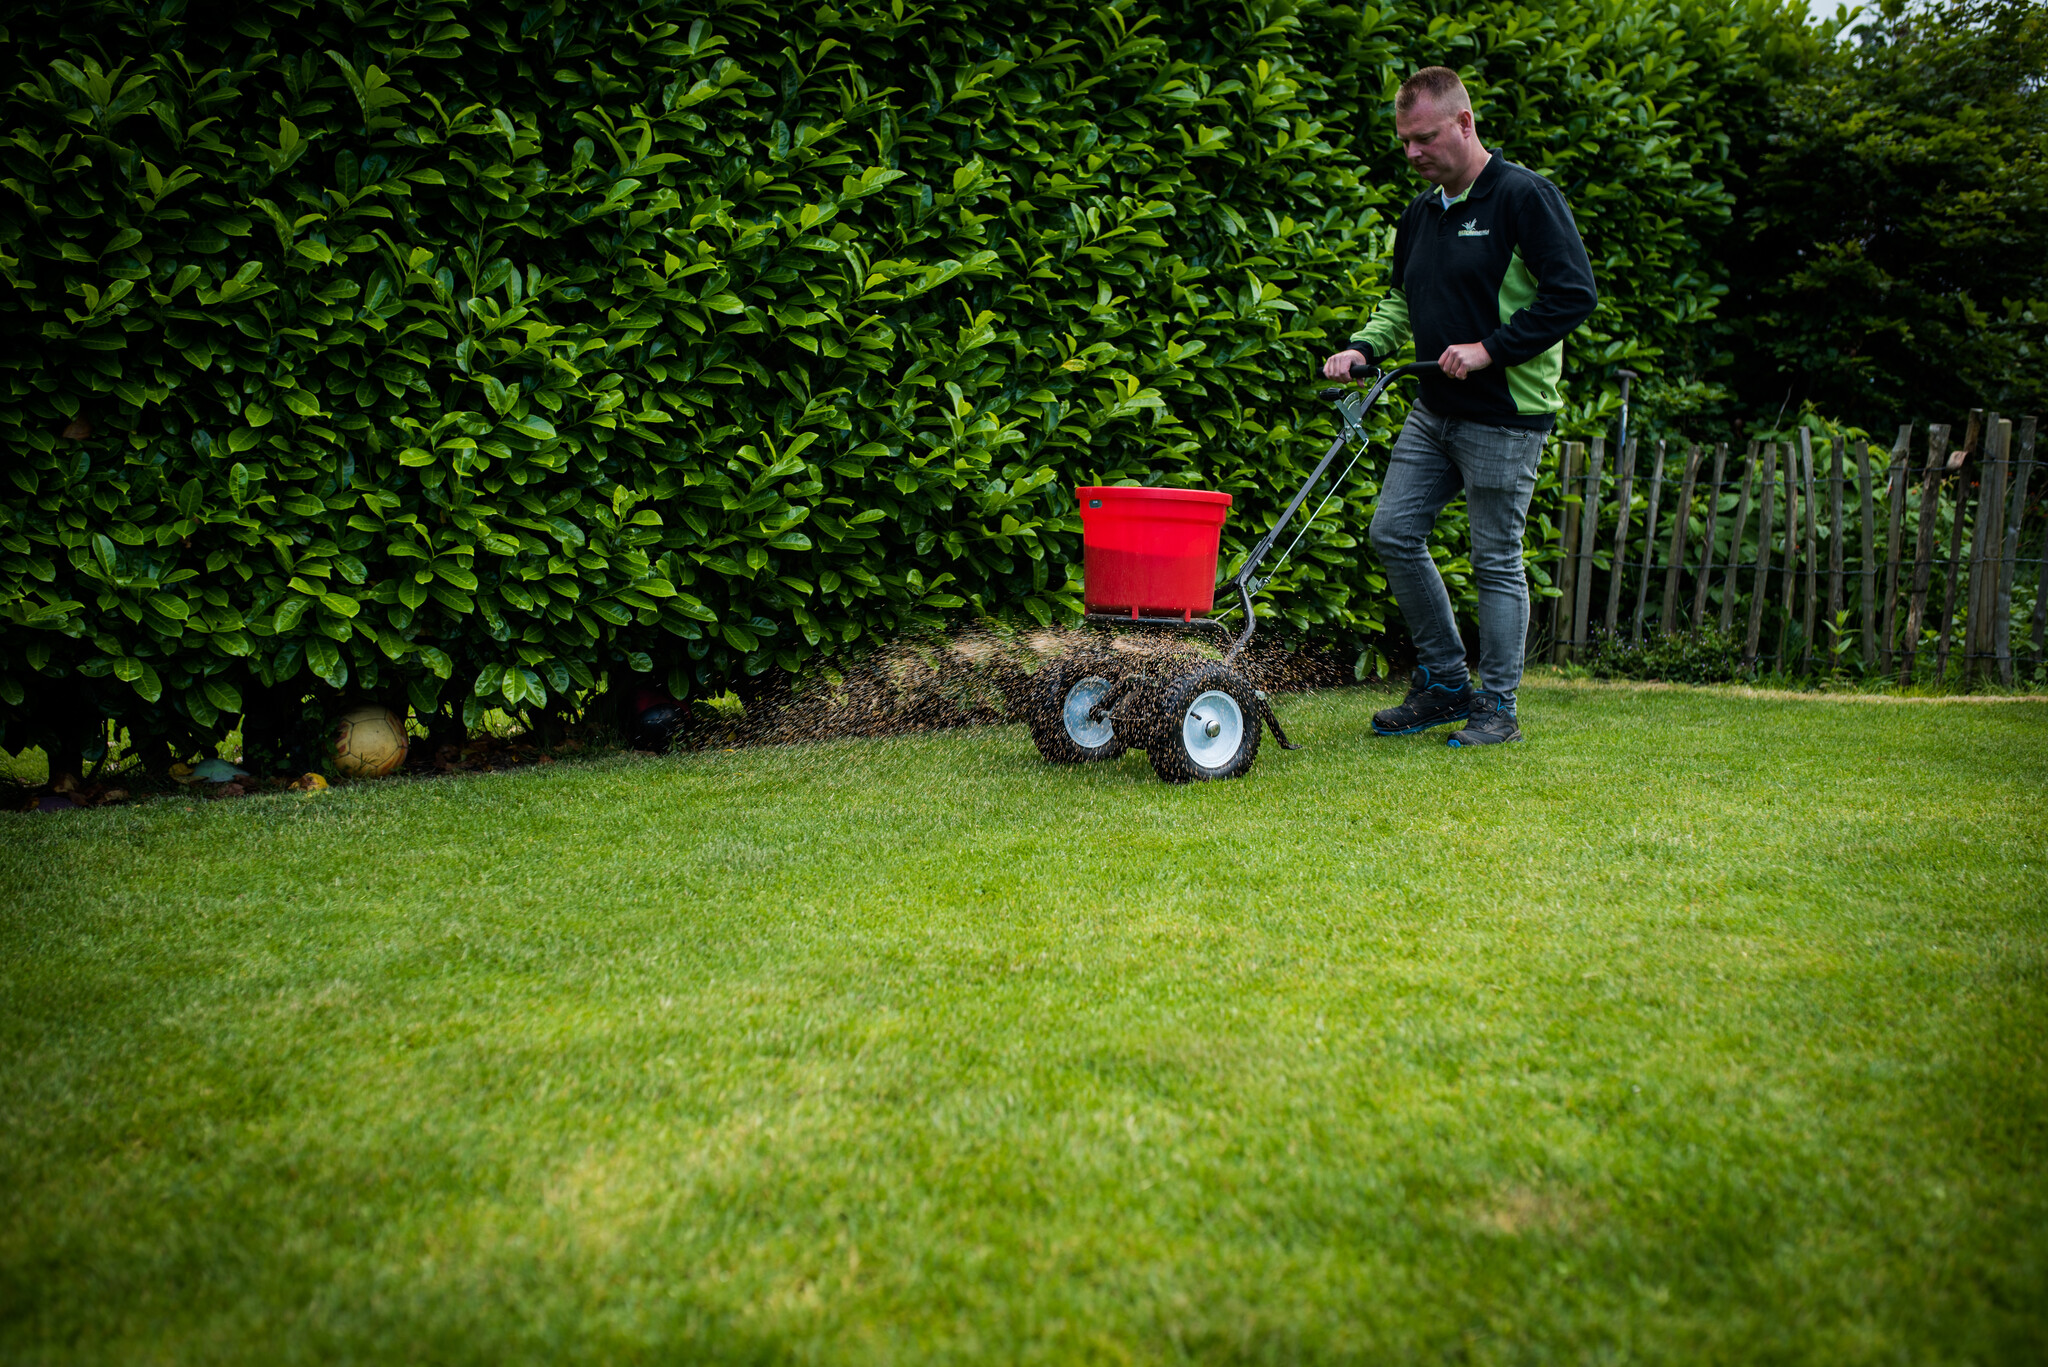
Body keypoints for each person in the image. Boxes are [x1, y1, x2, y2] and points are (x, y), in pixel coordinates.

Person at [1323, 67, 1597, 746]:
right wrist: (1362, 347)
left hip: (1504, 411)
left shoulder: (1523, 197)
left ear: (1464, 123)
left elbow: (1572, 294)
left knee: (1495, 558)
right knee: (1392, 531)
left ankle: (1496, 707)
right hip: (1434, 409)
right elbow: (1400, 303)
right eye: (1405, 142)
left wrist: (1490, 349)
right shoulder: (1420, 213)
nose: (1413, 153)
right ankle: (1446, 682)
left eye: (1425, 138)